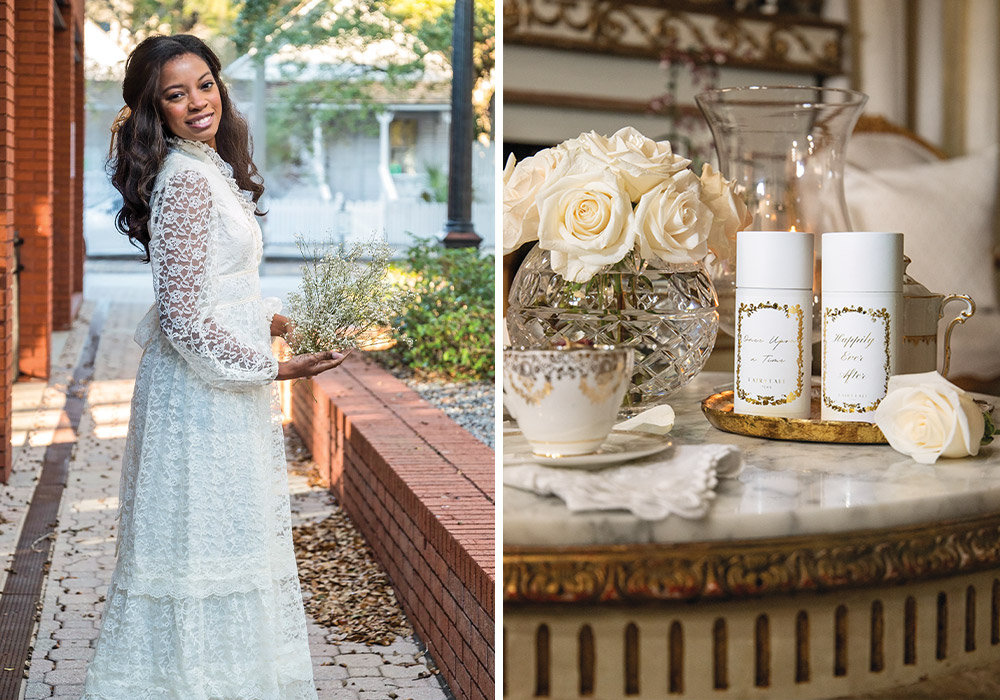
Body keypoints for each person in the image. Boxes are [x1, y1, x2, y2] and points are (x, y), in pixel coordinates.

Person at [79, 34, 342, 699]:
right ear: (154, 108)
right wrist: (281, 370)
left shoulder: (209, 167)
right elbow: (186, 319)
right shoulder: (185, 181)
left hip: (226, 391)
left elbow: (218, 288)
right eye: (176, 93)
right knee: (198, 551)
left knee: (230, 547)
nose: (197, 102)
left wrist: (278, 322)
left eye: (205, 84)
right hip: (196, 403)